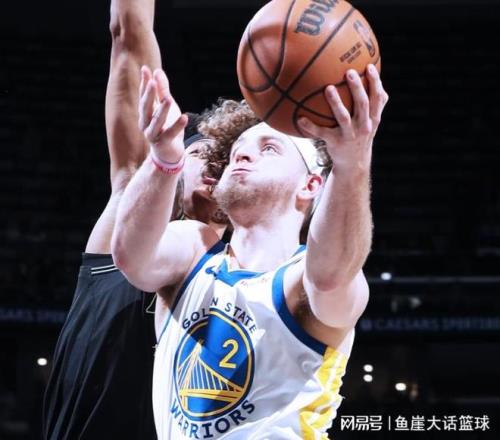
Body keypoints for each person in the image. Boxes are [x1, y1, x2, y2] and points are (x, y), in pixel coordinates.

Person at [112, 62, 388, 439]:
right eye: (237, 152)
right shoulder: (195, 249)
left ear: (310, 185)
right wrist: (163, 157)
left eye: (269, 148)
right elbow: (131, 256)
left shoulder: (301, 279)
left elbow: (329, 276)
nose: (242, 156)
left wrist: (351, 164)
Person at [41, 1, 229, 438]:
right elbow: (128, 36)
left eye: (227, 160)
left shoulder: (245, 268)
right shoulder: (127, 208)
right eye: (201, 153)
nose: (214, 166)